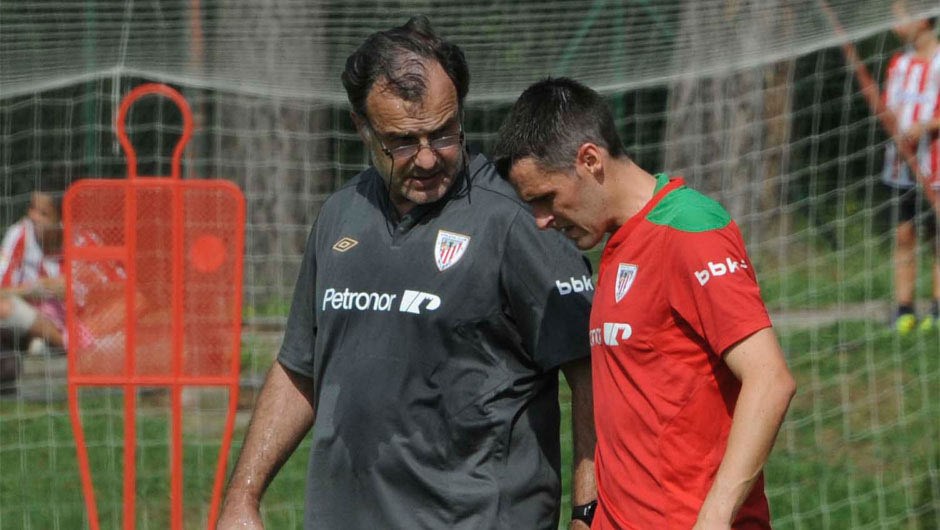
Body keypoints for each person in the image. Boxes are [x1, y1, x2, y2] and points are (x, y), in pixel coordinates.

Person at [218, 17, 597, 530]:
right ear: (361, 127)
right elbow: (299, 368)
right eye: (401, 141)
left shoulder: (516, 219)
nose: (426, 158)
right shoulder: (339, 215)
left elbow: (591, 370)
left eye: (443, 133)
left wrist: (587, 513)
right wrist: (242, 496)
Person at [494, 77, 797, 529]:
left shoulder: (689, 228)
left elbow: (770, 380)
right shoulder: (619, 243)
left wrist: (714, 517)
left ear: (590, 160)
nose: (540, 220)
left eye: (546, 198)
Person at [882, 2, 940, 334]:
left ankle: (938, 308)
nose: (894, 25)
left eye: (900, 18)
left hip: (936, 164)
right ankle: (904, 308)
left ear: (922, 19)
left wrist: (926, 126)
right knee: (905, 233)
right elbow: (889, 108)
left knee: (937, 233)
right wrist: (893, 126)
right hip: (902, 164)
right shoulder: (899, 64)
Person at [0, 191, 66, 355]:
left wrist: (72, 286)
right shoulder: (19, 234)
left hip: (73, 316)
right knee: (3, 307)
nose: (33, 217)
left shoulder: (79, 239)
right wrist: (30, 290)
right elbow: (2, 292)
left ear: (61, 220)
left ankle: (50, 341)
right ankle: (66, 343)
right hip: (31, 317)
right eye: (32, 209)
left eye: (43, 214)